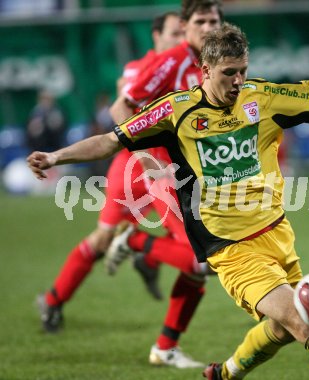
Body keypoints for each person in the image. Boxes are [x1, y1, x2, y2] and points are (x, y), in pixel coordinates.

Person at [27, 23, 309, 379]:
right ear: (206, 70)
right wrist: (56, 156)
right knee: (303, 322)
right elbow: (111, 140)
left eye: (242, 70)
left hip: (277, 233)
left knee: (281, 329)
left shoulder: (262, 97)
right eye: (229, 72)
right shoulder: (176, 111)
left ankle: (225, 374)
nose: (238, 80)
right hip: (230, 248)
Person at [33, 4, 220, 369]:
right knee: (109, 240)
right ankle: (58, 298)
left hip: (175, 172)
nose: (204, 28)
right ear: (168, 33)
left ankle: (149, 267)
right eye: (192, 25)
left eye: (214, 20)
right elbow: (125, 98)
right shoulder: (160, 64)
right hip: (140, 165)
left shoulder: (214, 63)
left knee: (199, 256)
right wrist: (150, 156)